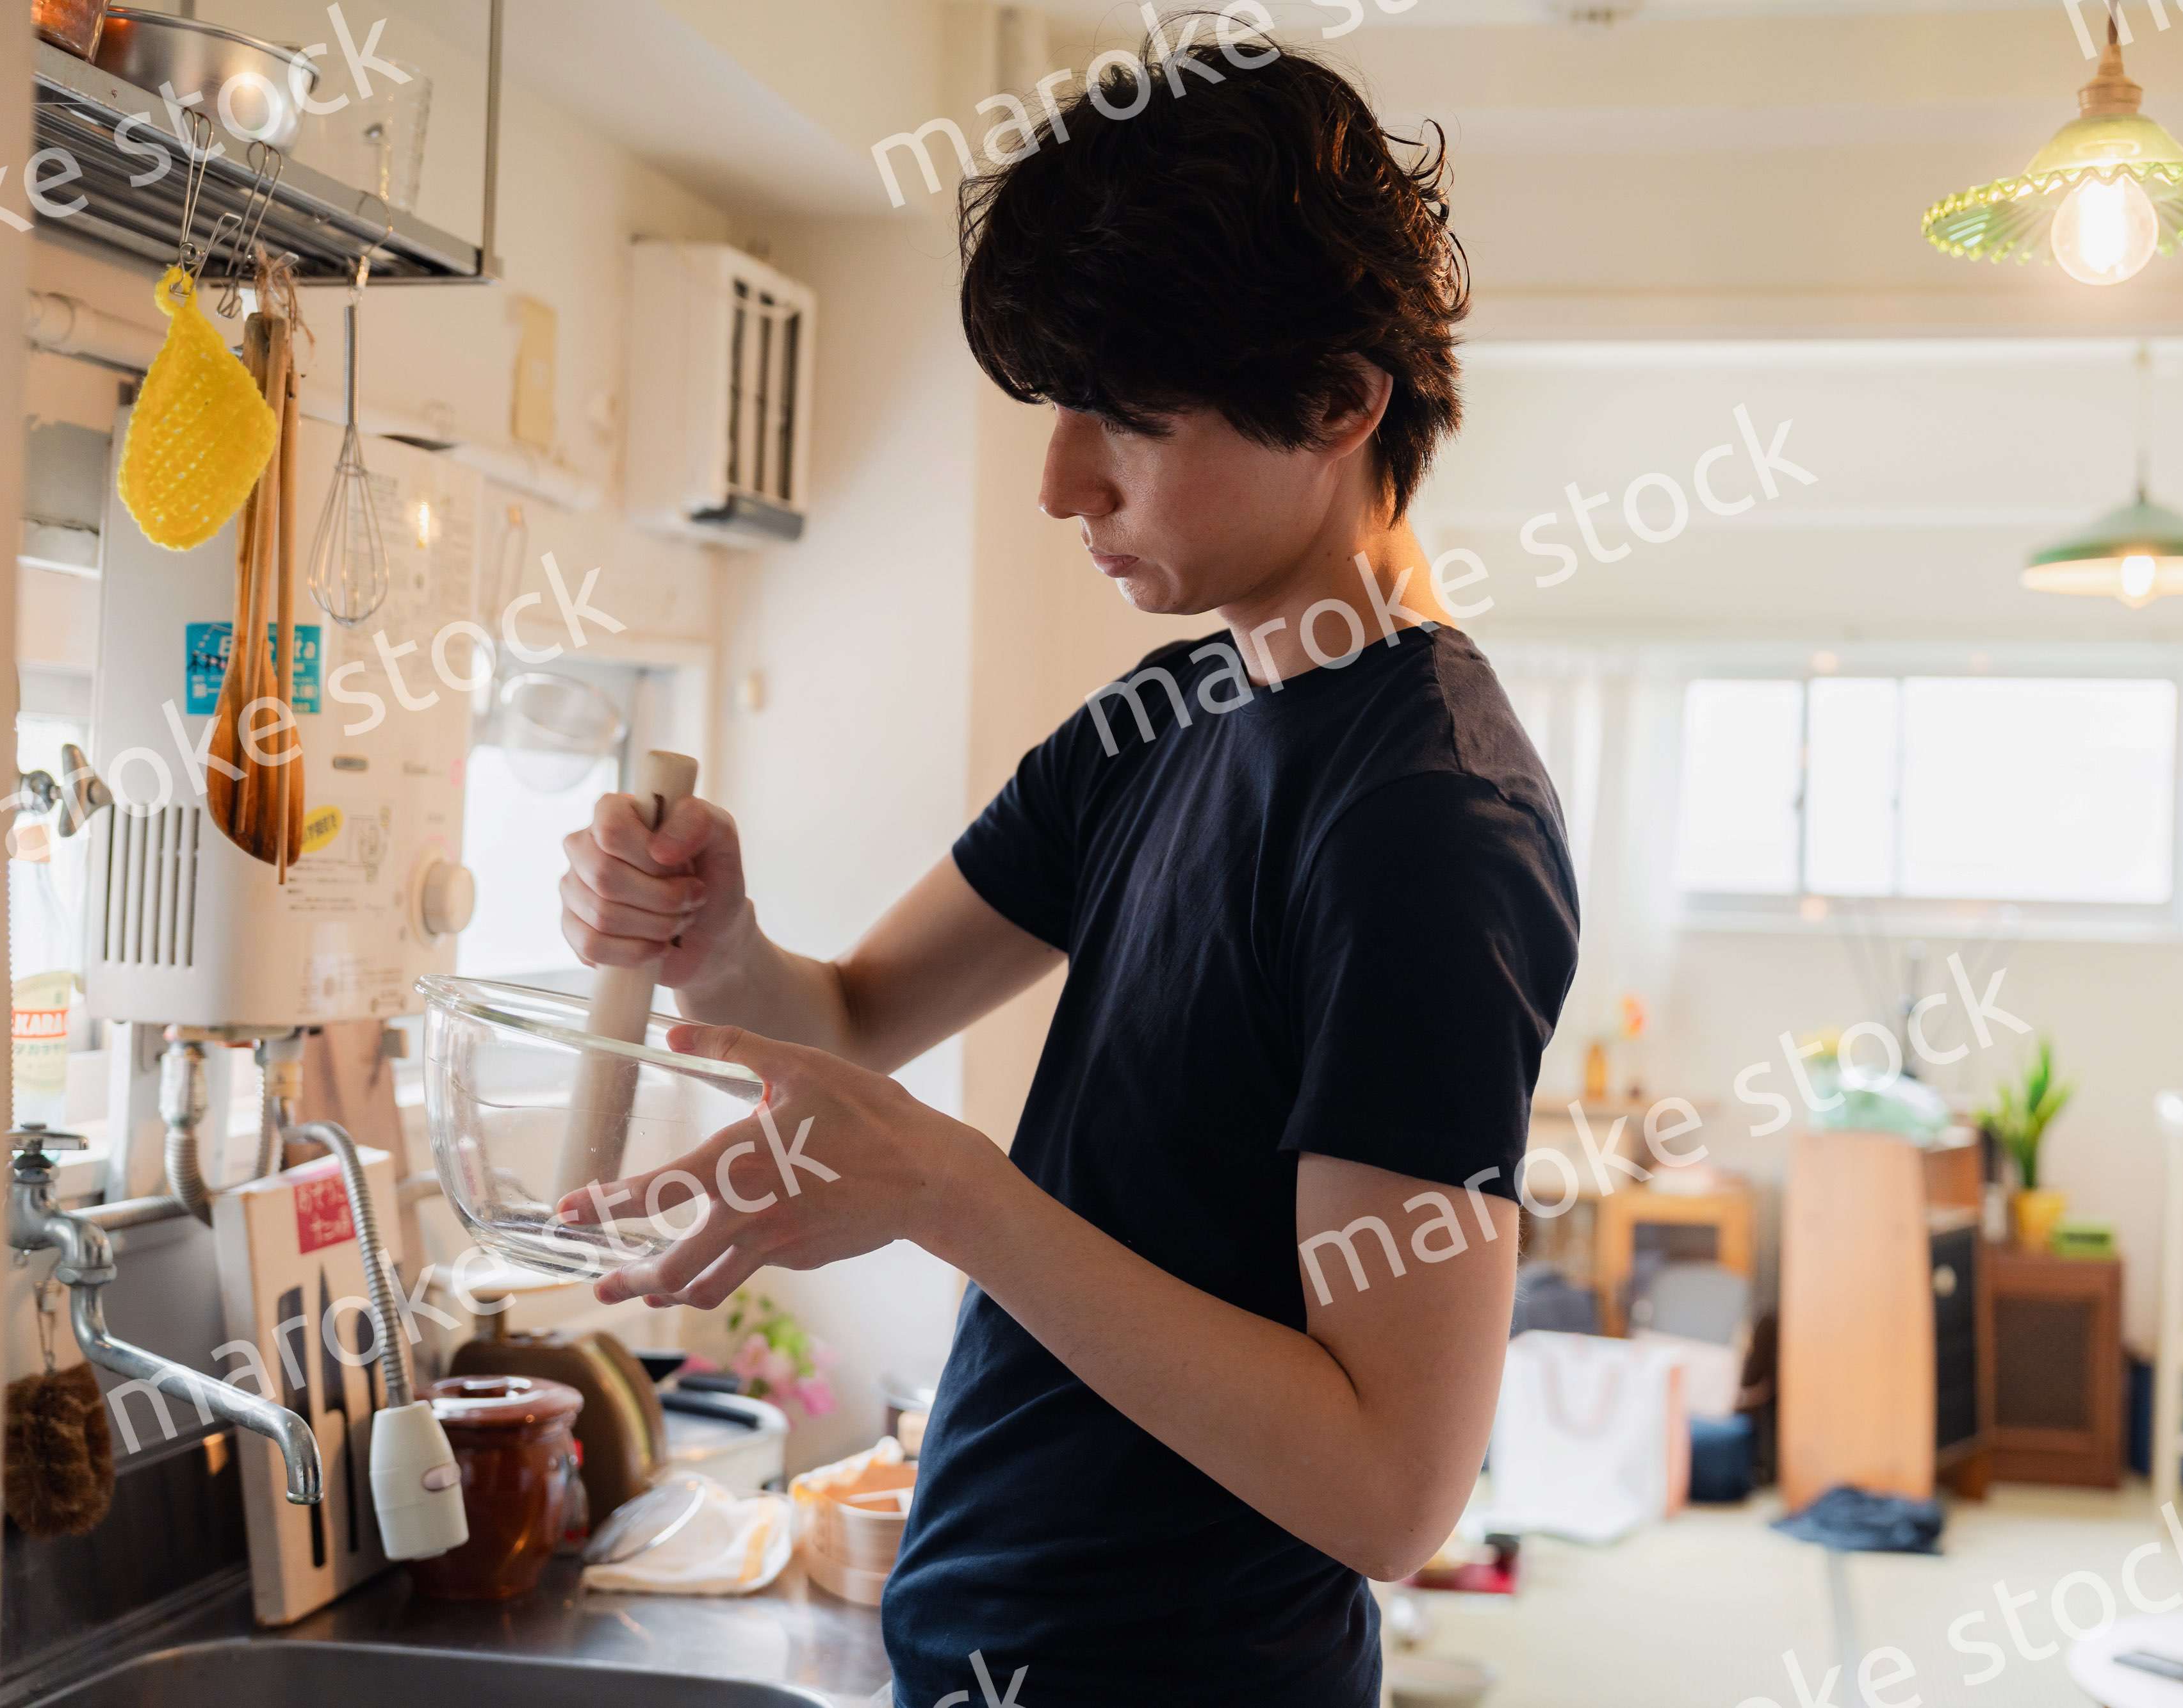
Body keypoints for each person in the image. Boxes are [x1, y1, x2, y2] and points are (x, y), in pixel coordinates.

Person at [555, 28, 1578, 1707]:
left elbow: (1395, 1486)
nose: (1059, 482)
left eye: (1127, 416)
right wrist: (713, 931)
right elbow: (852, 1012)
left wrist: (956, 1195)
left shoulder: (1426, 825)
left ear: (1338, 402)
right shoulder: (1177, 701)